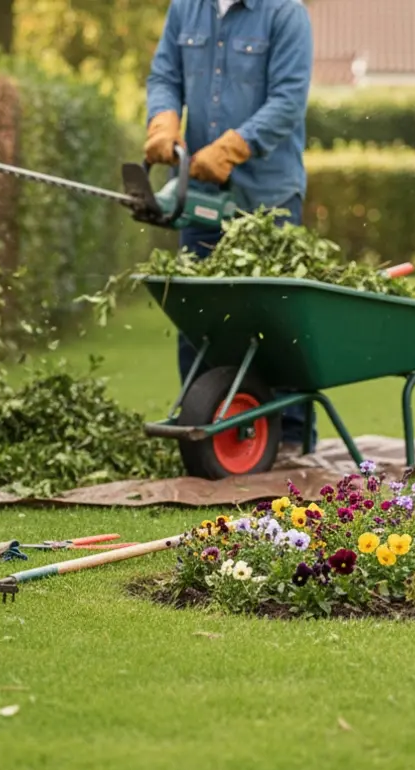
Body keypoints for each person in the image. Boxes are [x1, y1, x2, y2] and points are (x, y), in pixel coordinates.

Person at [144, 0, 317, 455]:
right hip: (201, 193)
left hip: (269, 198)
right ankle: (201, 431)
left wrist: (233, 147)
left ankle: (292, 437)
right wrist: (162, 120)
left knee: (279, 323)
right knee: (198, 317)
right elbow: (164, 77)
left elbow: (288, 101)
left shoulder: (284, 13)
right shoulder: (186, 8)